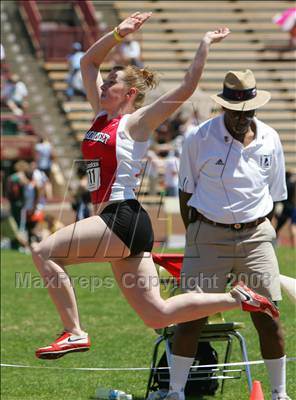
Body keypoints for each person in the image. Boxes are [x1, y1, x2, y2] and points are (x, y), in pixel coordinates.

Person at [31, 13, 278, 362]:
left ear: (129, 93)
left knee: (44, 252)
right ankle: (240, 298)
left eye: (108, 85)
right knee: (157, 314)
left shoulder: (136, 122)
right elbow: (89, 61)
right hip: (125, 225)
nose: (101, 87)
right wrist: (118, 33)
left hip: (122, 216)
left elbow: (187, 88)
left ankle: (74, 332)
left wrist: (204, 45)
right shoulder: (100, 116)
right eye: (102, 85)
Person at [159, 69, 290, 400]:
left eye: (249, 111)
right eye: (236, 112)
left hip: (256, 236)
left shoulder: (271, 138)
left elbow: (275, 196)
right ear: (223, 108)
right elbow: (186, 193)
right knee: (191, 318)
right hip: (207, 233)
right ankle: (175, 392)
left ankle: (278, 394)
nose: (242, 118)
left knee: (269, 317)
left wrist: (261, 230)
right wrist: (199, 234)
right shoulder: (198, 139)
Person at [275, 171, 296, 248]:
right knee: (293, 226)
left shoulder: (285, 184)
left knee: (278, 227)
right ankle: (293, 245)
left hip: (285, 208)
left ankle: (276, 243)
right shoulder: (293, 184)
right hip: (293, 207)